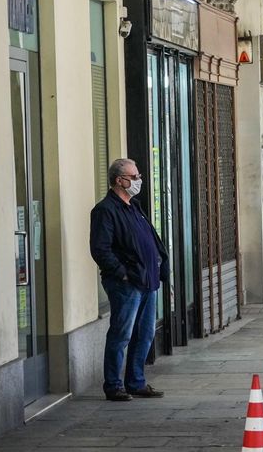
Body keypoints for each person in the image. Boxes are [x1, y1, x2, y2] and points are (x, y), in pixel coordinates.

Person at [90, 158, 168, 401]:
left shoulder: (134, 206)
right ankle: (113, 385)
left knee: (144, 334)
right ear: (118, 180)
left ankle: (136, 381)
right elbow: (100, 249)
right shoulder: (105, 210)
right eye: (133, 178)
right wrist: (122, 273)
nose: (138, 181)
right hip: (127, 283)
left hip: (147, 281)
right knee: (122, 334)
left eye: (138, 176)